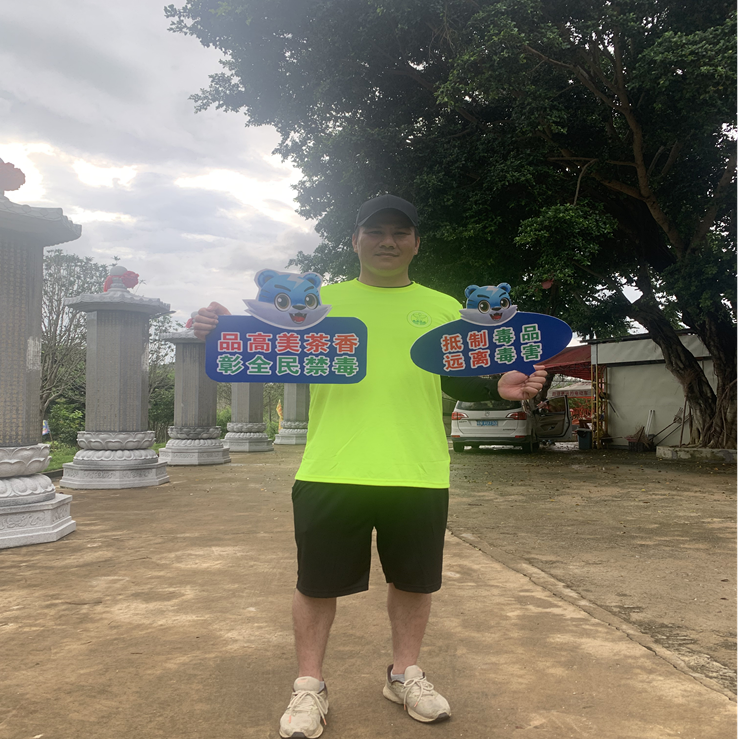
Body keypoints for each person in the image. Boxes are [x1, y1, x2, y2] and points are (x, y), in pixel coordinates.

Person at [193, 194, 547, 738]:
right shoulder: (319, 302)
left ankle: (405, 675)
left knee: (414, 582)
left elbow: (456, 374)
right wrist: (218, 327)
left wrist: (498, 386)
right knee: (317, 584)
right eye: (376, 231)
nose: (388, 241)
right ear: (355, 240)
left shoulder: (444, 307)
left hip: (417, 469)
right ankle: (309, 686)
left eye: (400, 232)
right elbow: (258, 341)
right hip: (332, 467)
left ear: (416, 243)